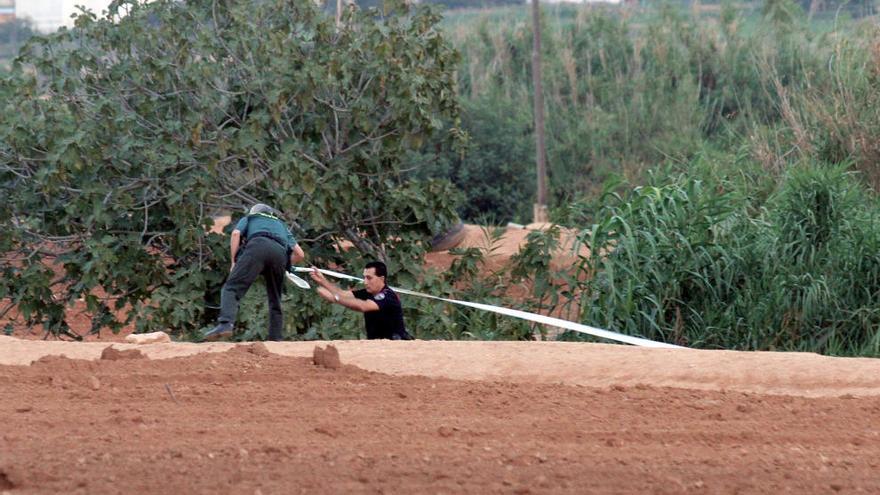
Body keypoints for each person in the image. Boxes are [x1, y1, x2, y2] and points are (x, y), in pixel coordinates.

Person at [203, 203, 305, 341]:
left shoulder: (251, 218)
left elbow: (236, 233)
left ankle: (226, 324)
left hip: (257, 247)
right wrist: (285, 265)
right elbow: (299, 254)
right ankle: (276, 338)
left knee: (231, 288)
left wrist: (233, 261)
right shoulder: (281, 225)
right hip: (280, 254)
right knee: (275, 299)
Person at [309, 261, 413, 340]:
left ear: (381, 279)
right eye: (364, 278)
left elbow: (363, 306)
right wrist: (322, 280)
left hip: (395, 345)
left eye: (369, 278)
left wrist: (335, 299)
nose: (365, 282)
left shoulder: (387, 296)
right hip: (376, 345)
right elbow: (342, 294)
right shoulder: (368, 292)